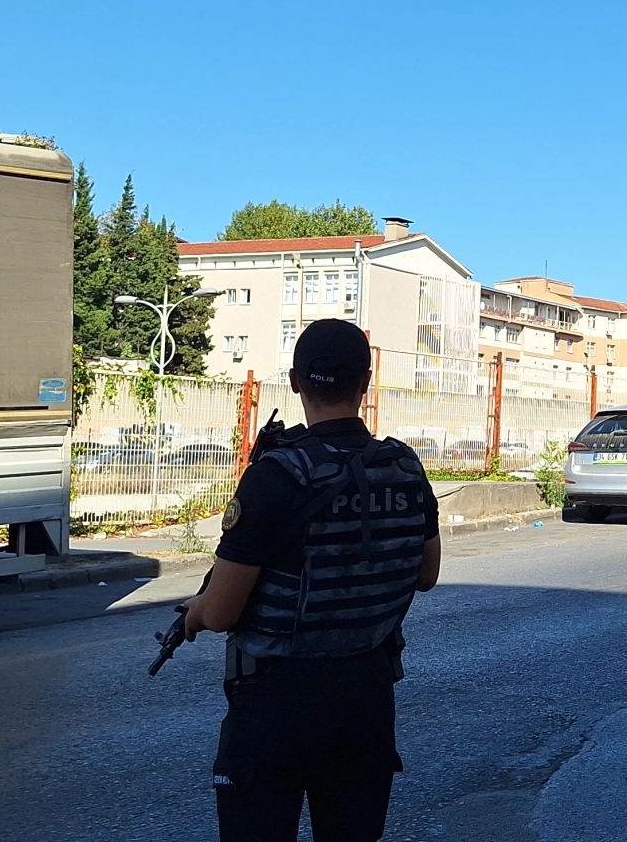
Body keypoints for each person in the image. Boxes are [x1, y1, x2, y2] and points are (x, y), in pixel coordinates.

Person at [182, 319, 442, 842]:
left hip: (277, 701)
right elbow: (426, 575)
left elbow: (223, 610)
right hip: (367, 695)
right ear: (365, 383)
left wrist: (194, 613)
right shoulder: (405, 467)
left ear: (296, 382)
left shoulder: (276, 475)